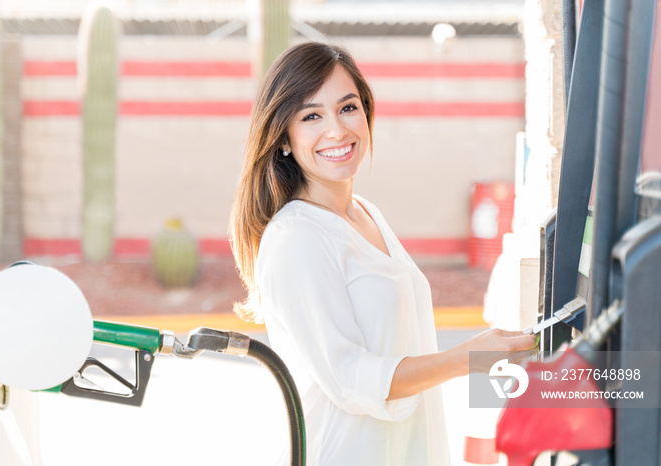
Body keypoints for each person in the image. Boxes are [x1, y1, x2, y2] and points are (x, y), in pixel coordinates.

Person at [229, 42, 537, 465]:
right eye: (312, 116)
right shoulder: (295, 237)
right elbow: (352, 377)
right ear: (284, 137)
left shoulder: (364, 214)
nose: (337, 130)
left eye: (348, 107)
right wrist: (465, 359)